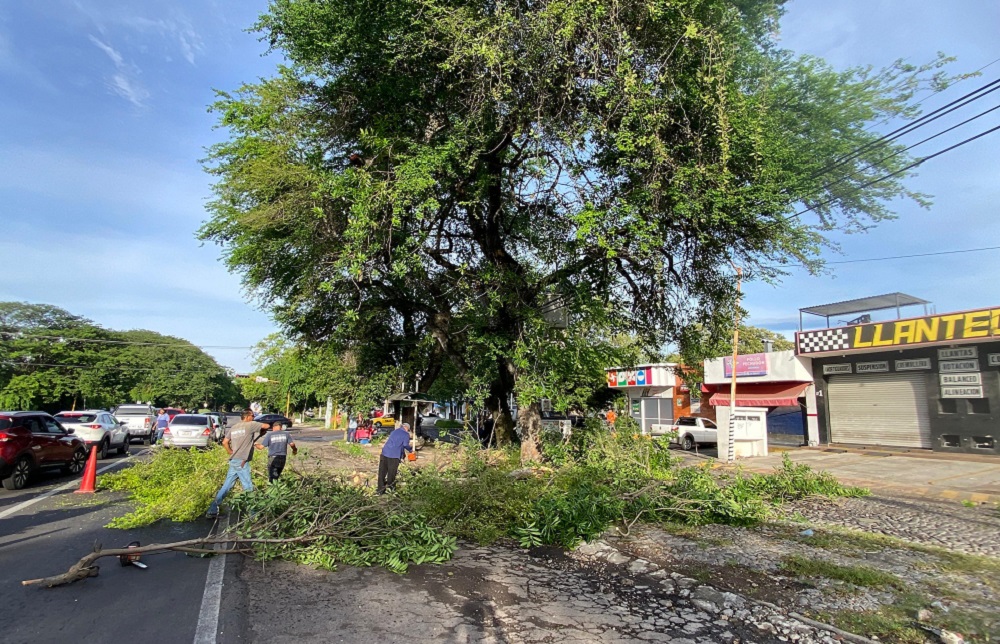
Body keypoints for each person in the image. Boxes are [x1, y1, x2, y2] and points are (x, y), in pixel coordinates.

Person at [206, 411, 269, 519]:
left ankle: (212, 510)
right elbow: (266, 426)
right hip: (242, 462)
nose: (254, 417)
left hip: (234, 460)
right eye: (252, 416)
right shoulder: (250, 425)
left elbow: (224, 442)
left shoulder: (234, 427)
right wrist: (262, 429)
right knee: (248, 486)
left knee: (227, 486)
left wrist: (230, 451)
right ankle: (253, 514)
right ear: (247, 417)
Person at [377, 422, 413, 495]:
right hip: (394, 455)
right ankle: (391, 490)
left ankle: (380, 490)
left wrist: (402, 455)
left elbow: (398, 445)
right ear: (406, 428)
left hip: (385, 453)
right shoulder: (406, 434)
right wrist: (411, 450)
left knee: (382, 472)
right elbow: (405, 445)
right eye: (408, 430)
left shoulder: (394, 431)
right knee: (391, 473)